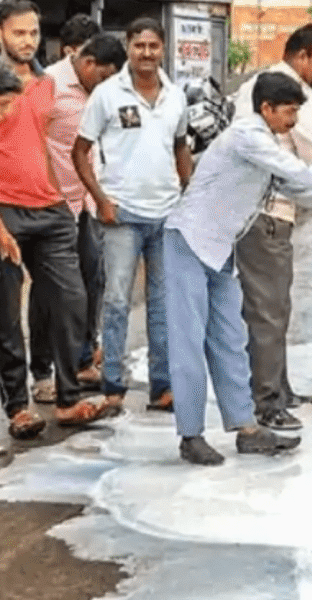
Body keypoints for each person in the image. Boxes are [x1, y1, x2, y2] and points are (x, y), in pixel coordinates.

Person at [162, 71, 312, 465]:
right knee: (189, 343)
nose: (292, 121)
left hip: (221, 248)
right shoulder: (248, 137)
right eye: (288, 112)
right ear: (266, 109)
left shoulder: (267, 145)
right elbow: (299, 173)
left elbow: (299, 189)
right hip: (188, 241)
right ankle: (190, 435)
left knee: (231, 338)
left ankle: (246, 428)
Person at [73, 17, 191, 415]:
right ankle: (114, 387)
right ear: (128, 47)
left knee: (162, 303)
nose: (146, 53)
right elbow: (80, 151)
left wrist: (188, 198)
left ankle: (163, 387)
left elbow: (180, 149)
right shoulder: (107, 95)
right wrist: (101, 199)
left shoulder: (176, 95)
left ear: (163, 49)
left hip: (166, 215)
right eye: (139, 45)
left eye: (153, 46)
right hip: (122, 215)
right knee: (118, 300)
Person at [0, 2, 101, 441]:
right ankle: (18, 407)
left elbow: (38, 141)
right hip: (4, 209)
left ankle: (67, 396)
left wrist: (59, 194)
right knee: (6, 314)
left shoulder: (43, 84)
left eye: (34, 32)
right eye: (19, 32)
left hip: (50, 208)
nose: (28, 40)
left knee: (70, 299)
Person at [230, 24, 312, 431]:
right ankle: (267, 401)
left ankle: (279, 388)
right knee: (267, 312)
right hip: (265, 214)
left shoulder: (274, 87)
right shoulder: (284, 95)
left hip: (276, 214)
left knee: (277, 307)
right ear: (301, 56)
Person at [29, 34, 125, 407]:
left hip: (88, 204)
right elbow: (30, 139)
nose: (106, 86)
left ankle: (83, 360)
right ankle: (42, 373)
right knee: (47, 294)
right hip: (53, 206)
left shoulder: (101, 94)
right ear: (87, 65)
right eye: (103, 77)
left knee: (90, 283)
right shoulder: (49, 85)